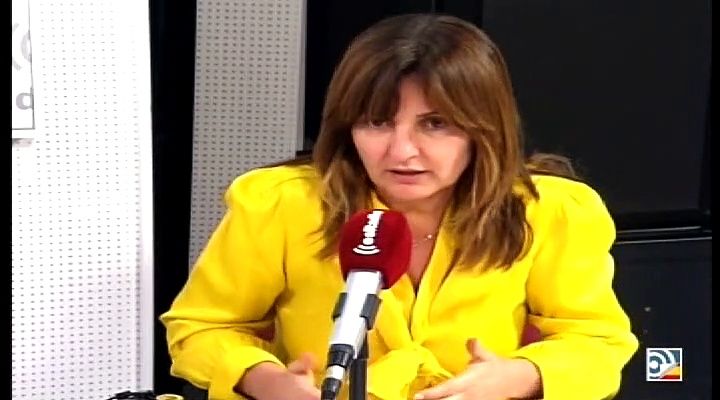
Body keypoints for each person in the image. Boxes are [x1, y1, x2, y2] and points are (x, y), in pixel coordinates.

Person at [160, 13, 638, 400]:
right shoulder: (281, 203)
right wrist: (266, 381)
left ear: (484, 128)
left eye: (435, 124)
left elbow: (597, 343)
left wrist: (521, 376)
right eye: (377, 122)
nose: (402, 151)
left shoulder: (550, 209)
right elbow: (200, 330)